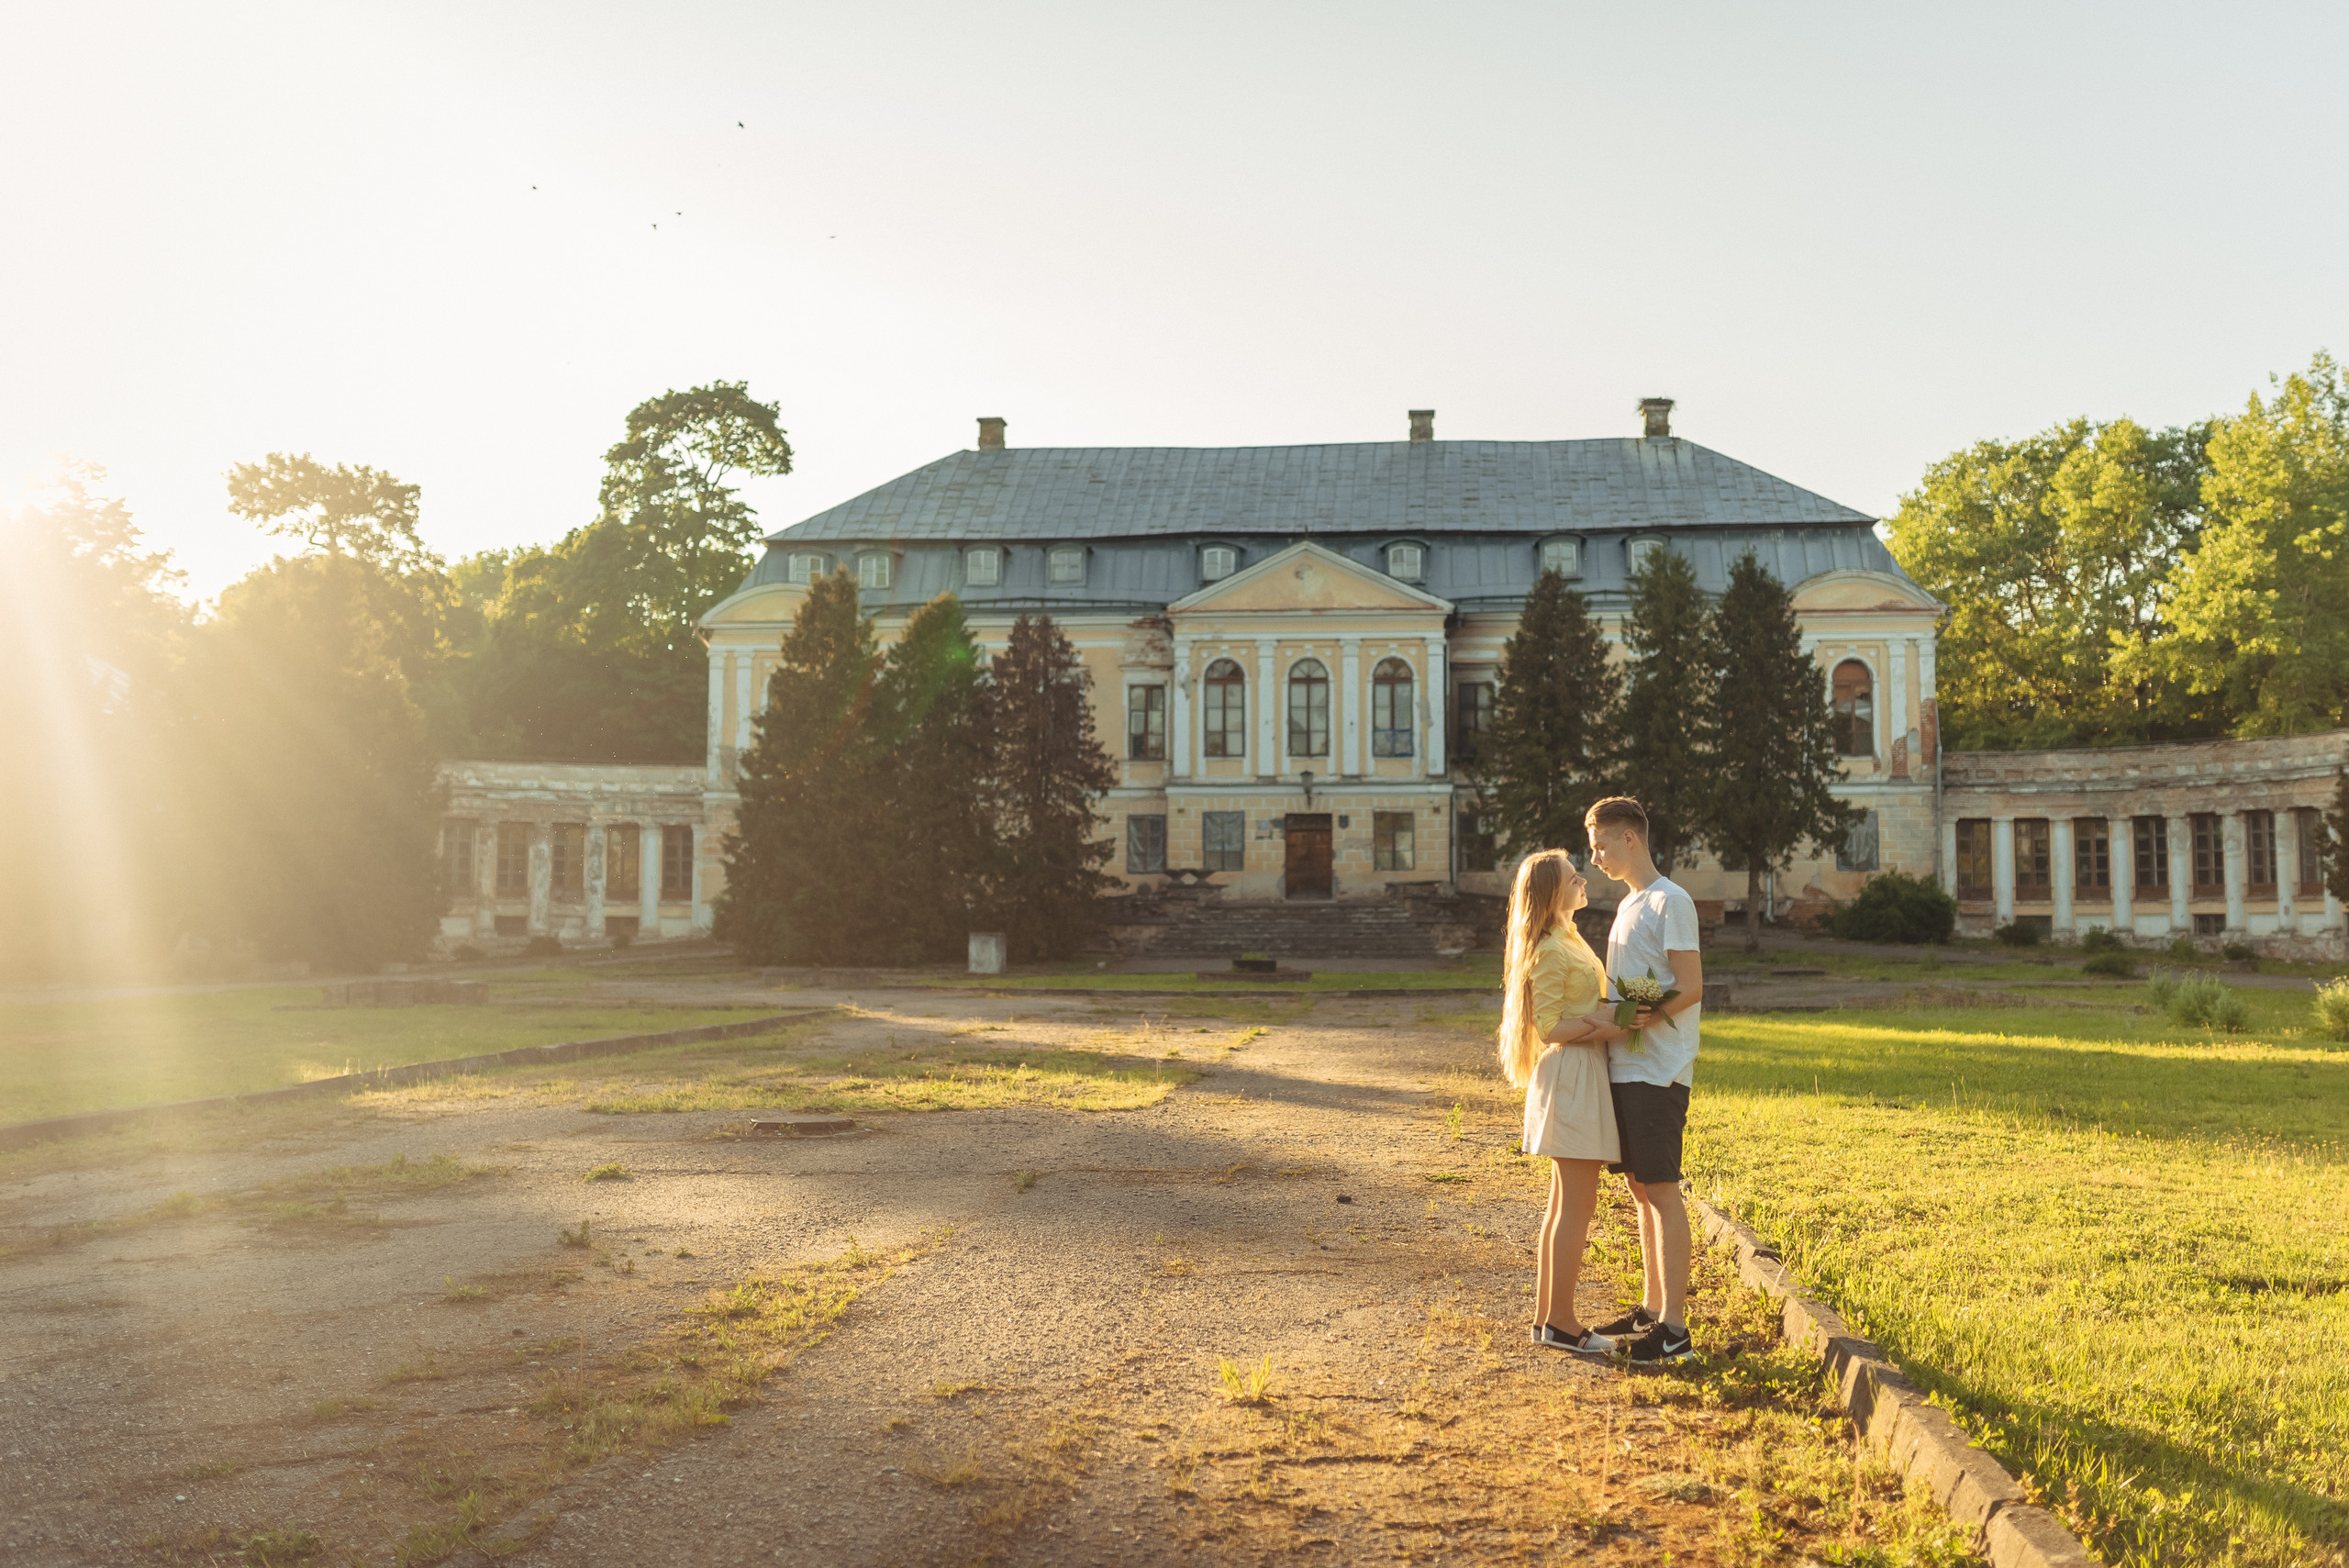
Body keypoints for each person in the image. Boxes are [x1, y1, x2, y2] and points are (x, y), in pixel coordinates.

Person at [1497, 848, 1636, 1355]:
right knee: (1575, 1205)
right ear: (1554, 892)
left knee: (1565, 1205)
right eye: (1575, 878)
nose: (1584, 883)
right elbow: (1552, 1027)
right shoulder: (1551, 948)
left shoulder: (1568, 937)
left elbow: (1591, 1000)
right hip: (1572, 1073)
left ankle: (1547, 1321)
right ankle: (1561, 1322)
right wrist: (1609, 1025)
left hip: (1581, 1073)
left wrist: (1629, 1005)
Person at [1584, 795, 1705, 1365]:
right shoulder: (1630, 904)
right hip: (1628, 1063)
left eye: (1600, 844)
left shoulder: (1669, 901)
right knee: (1638, 1187)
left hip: (1659, 1070)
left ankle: (1675, 1331)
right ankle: (1653, 1308)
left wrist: (1623, 1015)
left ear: (1629, 838)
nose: (1595, 856)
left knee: (1660, 1188)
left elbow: (1690, 986)